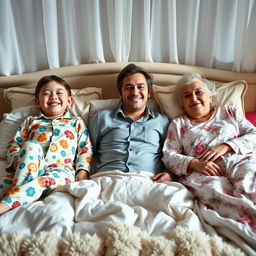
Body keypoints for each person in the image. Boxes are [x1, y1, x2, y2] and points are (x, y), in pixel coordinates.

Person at [162, 72, 256, 230]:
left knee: (249, 186)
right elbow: (168, 155)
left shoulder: (228, 112)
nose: (194, 98)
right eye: (187, 95)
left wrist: (227, 145)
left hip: (239, 160)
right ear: (182, 103)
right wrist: (194, 163)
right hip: (203, 173)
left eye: (198, 92)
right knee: (220, 196)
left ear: (210, 97)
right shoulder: (178, 124)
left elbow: (253, 134)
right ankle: (250, 225)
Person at [0, 75, 92, 215]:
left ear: (69, 101)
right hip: (27, 167)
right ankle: (26, 196)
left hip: (60, 172)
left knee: (40, 181)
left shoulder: (76, 122)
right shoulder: (31, 121)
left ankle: (6, 206)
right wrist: (16, 161)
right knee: (30, 147)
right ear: (37, 102)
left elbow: (85, 148)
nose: (53, 96)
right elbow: (14, 144)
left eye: (59, 93)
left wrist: (83, 171)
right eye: (46, 93)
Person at [89, 63, 172, 182]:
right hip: (107, 179)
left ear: (149, 93)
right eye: (128, 87)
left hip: (148, 181)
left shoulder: (163, 122)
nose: (135, 92)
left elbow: (172, 155)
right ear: (120, 93)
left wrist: (170, 174)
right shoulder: (101, 118)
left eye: (140, 87)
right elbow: (85, 152)